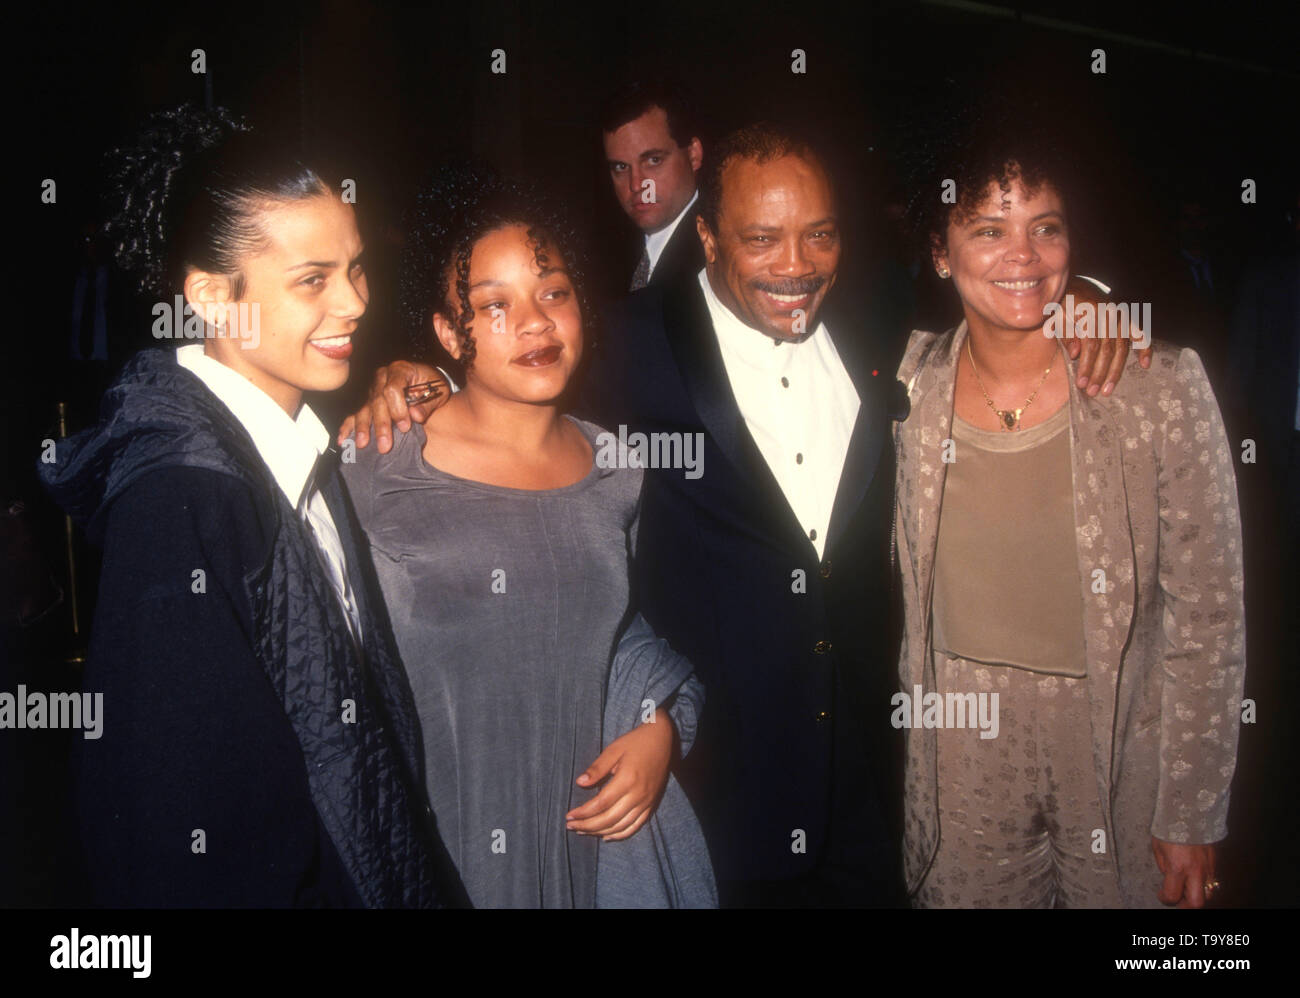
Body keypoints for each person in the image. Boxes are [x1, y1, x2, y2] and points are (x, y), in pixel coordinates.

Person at [344, 122, 1144, 907]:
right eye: (763, 239)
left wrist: (1088, 297)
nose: (796, 266)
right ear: (711, 239)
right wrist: (411, 376)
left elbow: (1008, 280)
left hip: (867, 794)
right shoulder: (618, 346)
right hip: (710, 799)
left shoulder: (879, 311)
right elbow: (506, 387)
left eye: (820, 235)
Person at [38, 105, 456, 907]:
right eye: (313, 280)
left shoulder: (295, 449)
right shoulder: (180, 497)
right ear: (213, 298)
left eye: (357, 267)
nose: (356, 302)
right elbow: (183, 833)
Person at [894, 117, 1247, 908]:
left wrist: (1191, 806)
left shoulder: (1160, 390)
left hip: (1118, 744)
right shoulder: (908, 387)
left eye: (1044, 228)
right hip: (963, 745)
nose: (1023, 255)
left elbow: (1210, 618)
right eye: (989, 230)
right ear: (941, 252)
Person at [339, 165, 714, 908]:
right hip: (434, 846)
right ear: (450, 333)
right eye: (494, 306)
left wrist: (660, 725)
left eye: (554, 293)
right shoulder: (374, 465)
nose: (536, 323)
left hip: (584, 843)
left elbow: (645, 637)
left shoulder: (621, 468)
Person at [600, 78, 705, 291]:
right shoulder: (609, 258)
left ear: (693, 155)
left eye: (653, 160)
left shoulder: (719, 255)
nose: (637, 185)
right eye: (620, 167)